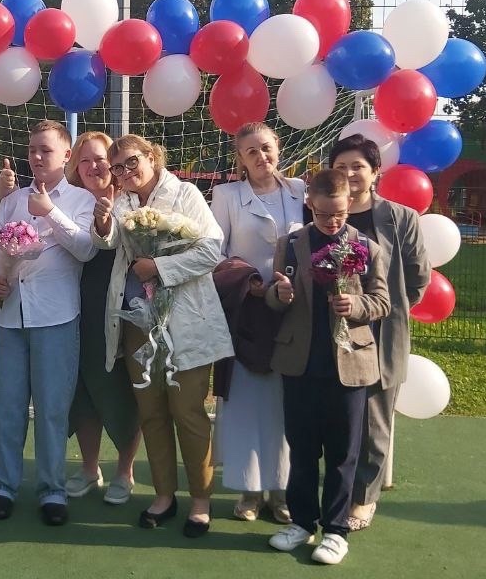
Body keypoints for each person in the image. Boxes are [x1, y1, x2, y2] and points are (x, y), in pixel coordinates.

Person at [91, 134, 234, 539]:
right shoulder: (123, 201)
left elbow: (211, 251)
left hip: (185, 321)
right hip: (138, 323)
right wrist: (103, 221)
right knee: (151, 412)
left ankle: (201, 500)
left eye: (131, 162)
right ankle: (164, 495)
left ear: (152, 157)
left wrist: (159, 267)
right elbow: (109, 241)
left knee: (187, 411)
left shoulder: (186, 193)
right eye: (117, 168)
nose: (124, 172)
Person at [0, 134, 142, 505]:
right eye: (86, 160)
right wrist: (10, 199)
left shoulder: (130, 201)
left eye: (101, 159)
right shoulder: (67, 199)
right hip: (71, 307)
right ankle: (89, 467)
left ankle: (125, 470)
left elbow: (91, 247)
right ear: (74, 165)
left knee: (118, 386)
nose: (94, 166)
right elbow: (8, 236)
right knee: (80, 390)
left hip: (116, 307)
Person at [265, 169, 390, 565]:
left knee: (342, 454)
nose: (332, 222)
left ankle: (336, 531)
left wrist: (357, 306)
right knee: (301, 450)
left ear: (349, 204)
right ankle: (302, 522)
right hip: (300, 363)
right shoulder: (290, 244)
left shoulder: (367, 247)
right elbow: (273, 298)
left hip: (350, 365)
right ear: (310, 205)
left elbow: (382, 302)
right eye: (323, 214)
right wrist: (279, 294)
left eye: (339, 214)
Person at [0, 120, 96, 526]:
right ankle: (2, 486)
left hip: (56, 317)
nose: (37, 156)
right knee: (6, 407)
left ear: (67, 155)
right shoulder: (12, 200)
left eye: (45, 149)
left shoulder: (81, 199)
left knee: (51, 409)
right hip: (10, 316)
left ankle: (52, 490)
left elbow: (85, 249)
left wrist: (51, 212)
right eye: (32, 149)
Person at [328, 134, 431, 531]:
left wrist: (381, 308)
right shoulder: (321, 213)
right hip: (329, 330)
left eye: (358, 166)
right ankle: (334, 488)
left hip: (380, 330)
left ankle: (363, 499)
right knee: (334, 416)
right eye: (341, 167)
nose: (350, 173)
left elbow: (417, 279)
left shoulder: (401, 218)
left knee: (374, 419)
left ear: (375, 172)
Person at [210, 122, 306, 523]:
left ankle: (281, 492)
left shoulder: (301, 191)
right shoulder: (226, 196)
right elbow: (214, 252)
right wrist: (247, 280)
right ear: (241, 159)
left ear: (278, 147)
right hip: (246, 312)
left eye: (266, 147)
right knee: (247, 404)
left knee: (286, 404)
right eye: (251, 151)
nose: (261, 156)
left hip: (294, 312)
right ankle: (249, 491)